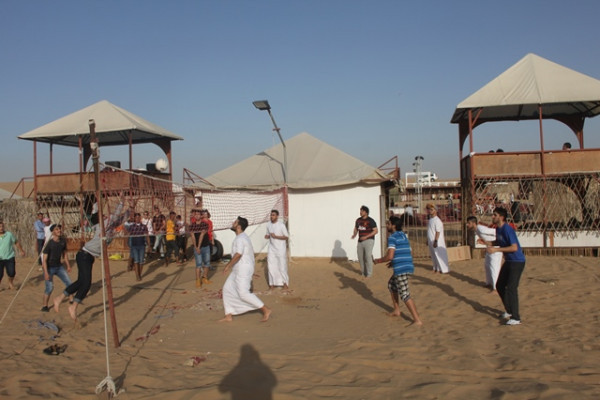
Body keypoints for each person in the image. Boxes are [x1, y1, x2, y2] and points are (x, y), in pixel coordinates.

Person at [53, 203, 126, 322]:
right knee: (86, 284)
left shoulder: (112, 230)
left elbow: (122, 217)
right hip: (84, 255)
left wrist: (131, 208)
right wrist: (122, 201)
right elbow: (116, 214)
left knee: (81, 281)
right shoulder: (103, 225)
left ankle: (59, 298)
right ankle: (73, 306)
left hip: (89, 257)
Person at [220, 216, 271, 322]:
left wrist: (227, 265)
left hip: (243, 269)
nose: (232, 223)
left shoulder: (241, 238)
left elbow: (238, 254)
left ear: (238, 226)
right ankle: (228, 315)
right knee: (227, 289)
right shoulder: (240, 237)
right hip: (238, 268)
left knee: (243, 293)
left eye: (235, 222)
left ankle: (266, 310)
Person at [374, 216, 422, 326]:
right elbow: (409, 252)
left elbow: (390, 255)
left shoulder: (392, 238)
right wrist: (394, 262)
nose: (387, 226)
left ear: (393, 225)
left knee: (405, 294)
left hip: (401, 268)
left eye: (388, 224)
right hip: (407, 265)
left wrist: (379, 260)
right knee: (391, 285)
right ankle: (397, 310)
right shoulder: (404, 236)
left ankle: (417, 320)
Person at [483, 208, 526, 326]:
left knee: (512, 288)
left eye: (495, 215)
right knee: (500, 285)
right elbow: (500, 241)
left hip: (517, 261)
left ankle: (516, 317)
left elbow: (514, 247)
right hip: (509, 261)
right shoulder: (498, 229)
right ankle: (509, 311)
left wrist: (496, 250)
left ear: (501, 217)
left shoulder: (508, 229)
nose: (493, 217)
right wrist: (488, 243)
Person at [466, 216, 502, 292]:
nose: (467, 225)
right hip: (489, 247)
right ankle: (489, 283)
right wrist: (484, 242)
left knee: (494, 267)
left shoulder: (481, 229)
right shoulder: (477, 230)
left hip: (495, 247)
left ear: (473, 223)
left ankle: (496, 288)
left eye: (469, 223)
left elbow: (495, 232)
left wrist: (497, 242)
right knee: (487, 265)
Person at [41, 224, 72, 312]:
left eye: (59, 229)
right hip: (49, 268)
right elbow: (44, 260)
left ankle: (71, 299)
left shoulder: (62, 241)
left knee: (69, 283)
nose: (59, 231)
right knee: (49, 287)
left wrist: (68, 266)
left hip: (59, 267)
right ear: (53, 232)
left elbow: (65, 255)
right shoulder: (49, 244)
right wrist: (46, 273)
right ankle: (45, 306)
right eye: (57, 229)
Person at [264, 209, 289, 290]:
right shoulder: (268, 225)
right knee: (271, 266)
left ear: (277, 216)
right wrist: (267, 236)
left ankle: (285, 283)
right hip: (271, 249)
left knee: (282, 266)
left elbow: (286, 237)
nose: (272, 216)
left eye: (273, 215)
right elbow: (268, 235)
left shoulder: (281, 225)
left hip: (280, 249)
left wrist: (276, 236)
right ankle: (272, 284)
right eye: (271, 215)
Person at [351, 205, 378, 278]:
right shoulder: (358, 220)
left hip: (369, 240)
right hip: (360, 241)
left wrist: (366, 237)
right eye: (360, 210)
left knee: (367, 256)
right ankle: (363, 272)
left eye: (362, 211)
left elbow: (375, 231)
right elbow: (356, 228)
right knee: (360, 257)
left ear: (366, 212)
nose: (360, 212)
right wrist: (354, 234)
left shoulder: (370, 220)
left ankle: (369, 274)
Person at [0, 221, 26, 290]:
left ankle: (10, 283)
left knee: (12, 273)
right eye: (0, 227)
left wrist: (21, 250)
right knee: (0, 275)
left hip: (9, 257)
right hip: (0, 258)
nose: (1, 228)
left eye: (2, 226)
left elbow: (16, 242)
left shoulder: (9, 234)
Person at [426, 203, 450, 274]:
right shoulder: (431, 220)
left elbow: (438, 232)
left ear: (435, 211)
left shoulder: (437, 221)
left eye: (431, 209)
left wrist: (436, 241)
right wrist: (428, 240)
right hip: (431, 239)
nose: (430, 211)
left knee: (439, 255)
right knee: (433, 255)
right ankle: (435, 267)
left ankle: (442, 269)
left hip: (437, 241)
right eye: (429, 209)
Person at [126, 212, 150, 281]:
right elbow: (128, 234)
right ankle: (137, 275)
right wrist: (127, 242)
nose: (137, 219)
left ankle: (139, 274)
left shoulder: (144, 226)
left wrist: (149, 245)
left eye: (138, 217)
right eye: (136, 217)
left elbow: (147, 236)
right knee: (136, 260)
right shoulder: (132, 226)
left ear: (140, 218)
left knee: (141, 261)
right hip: (134, 246)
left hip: (142, 245)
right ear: (134, 218)